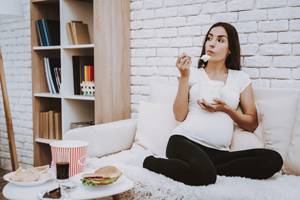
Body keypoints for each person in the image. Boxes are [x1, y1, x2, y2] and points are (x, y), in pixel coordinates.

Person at [143, 22, 283, 186]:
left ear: (230, 49)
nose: (212, 43)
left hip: (219, 153)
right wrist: (184, 77)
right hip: (184, 141)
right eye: (209, 38)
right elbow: (179, 116)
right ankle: (151, 162)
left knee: (273, 159)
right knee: (205, 177)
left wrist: (226, 109)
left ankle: (206, 168)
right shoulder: (192, 73)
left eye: (220, 40)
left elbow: (252, 124)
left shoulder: (240, 78)